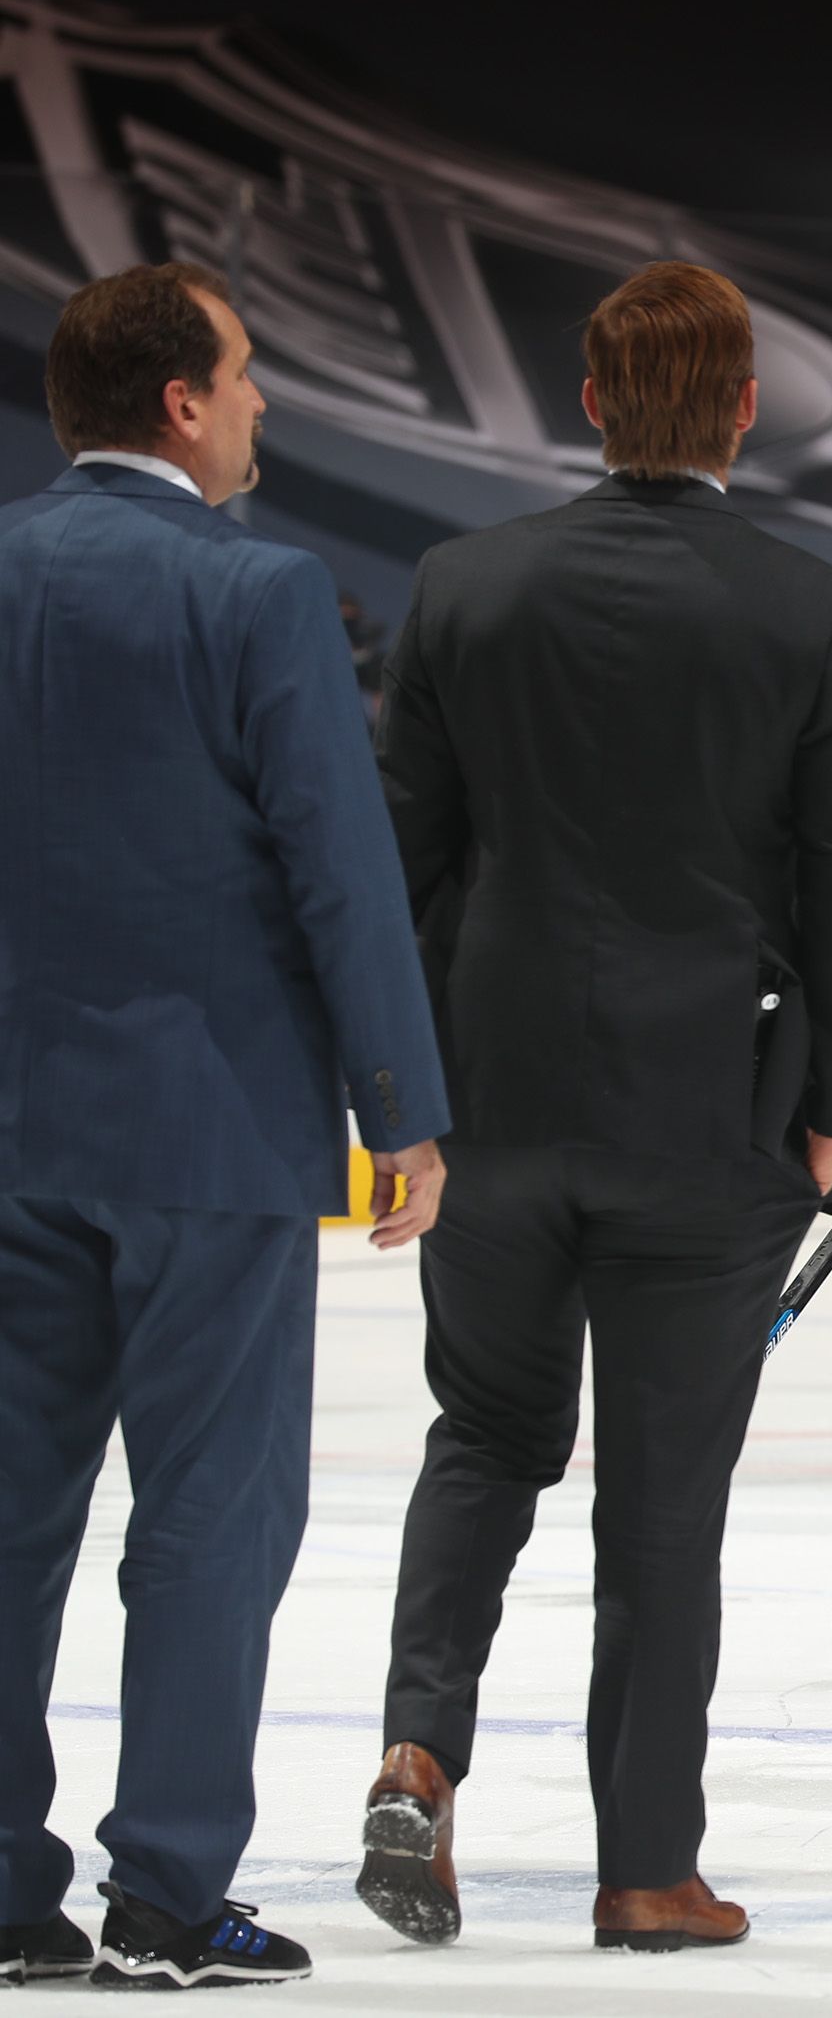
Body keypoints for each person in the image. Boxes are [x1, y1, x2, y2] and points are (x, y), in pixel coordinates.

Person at [362, 262, 832, 1952]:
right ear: (746, 405)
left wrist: (398, 1103)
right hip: (709, 1117)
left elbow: (401, 864)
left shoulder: (465, 587)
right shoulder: (815, 608)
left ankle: (414, 1748)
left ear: (589, 403)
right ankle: (647, 1865)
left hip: (495, 1099)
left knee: (484, 1439)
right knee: (664, 1499)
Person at [0, 262, 447, 1992]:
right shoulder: (259, 590)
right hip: (211, 1128)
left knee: (14, 1512)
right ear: (181, 402)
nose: (264, 404)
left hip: (17, 1118)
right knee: (208, 1516)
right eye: (249, 375)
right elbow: (342, 870)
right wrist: (402, 1107)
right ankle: (170, 1892)